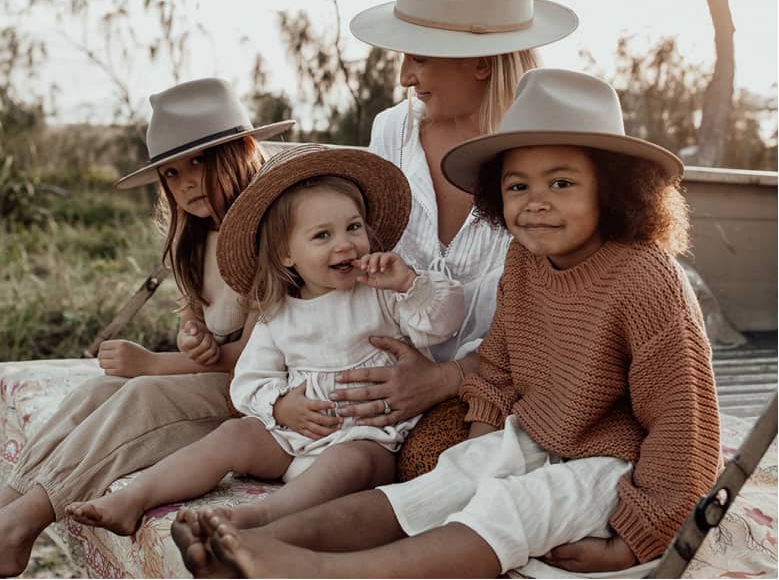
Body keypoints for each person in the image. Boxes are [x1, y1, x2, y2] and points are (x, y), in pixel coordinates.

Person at [172, 69, 722, 579]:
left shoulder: (648, 280)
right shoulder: (526, 261)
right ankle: (256, 532)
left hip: (618, 464)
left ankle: (320, 573)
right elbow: (501, 364)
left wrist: (640, 536)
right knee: (438, 488)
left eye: (561, 184)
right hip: (538, 434)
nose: (535, 204)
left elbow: (683, 426)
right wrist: (476, 455)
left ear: (615, 187)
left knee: (510, 507)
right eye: (516, 186)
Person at [0, 77, 294, 578]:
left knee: (140, 395)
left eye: (200, 161)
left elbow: (250, 366)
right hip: (217, 381)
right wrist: (192, 332)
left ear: (243, 150)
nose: (185, 182)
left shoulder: (266, 233)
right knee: (97, 392)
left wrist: (155, 362)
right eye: (172, 171)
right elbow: (198, 310)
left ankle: (17, 527)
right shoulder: (198, 234)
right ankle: (2, 522)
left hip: (259, 397)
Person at [65, 144, 465, 536]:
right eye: (322, 235)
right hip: (291, 437)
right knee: (233, 435)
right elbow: (246, 382)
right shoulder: (279, 313)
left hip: (369, 438)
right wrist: (280, 405)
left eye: (353, 227)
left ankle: (261, 517)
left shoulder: (382, 293)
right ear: (286, 254)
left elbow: (443, 322)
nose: (344, 243)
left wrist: (411, 283)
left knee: (354, 461)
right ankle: (134, 499)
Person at [333, 0, 580, 480]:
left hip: (508, 386)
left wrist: (444, 382)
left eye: (418, 55)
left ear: (480, 64)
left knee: (429, 466)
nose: (404, 76)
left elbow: (554, 321)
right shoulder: (390, 133)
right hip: (389, 370)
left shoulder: (545, 168)